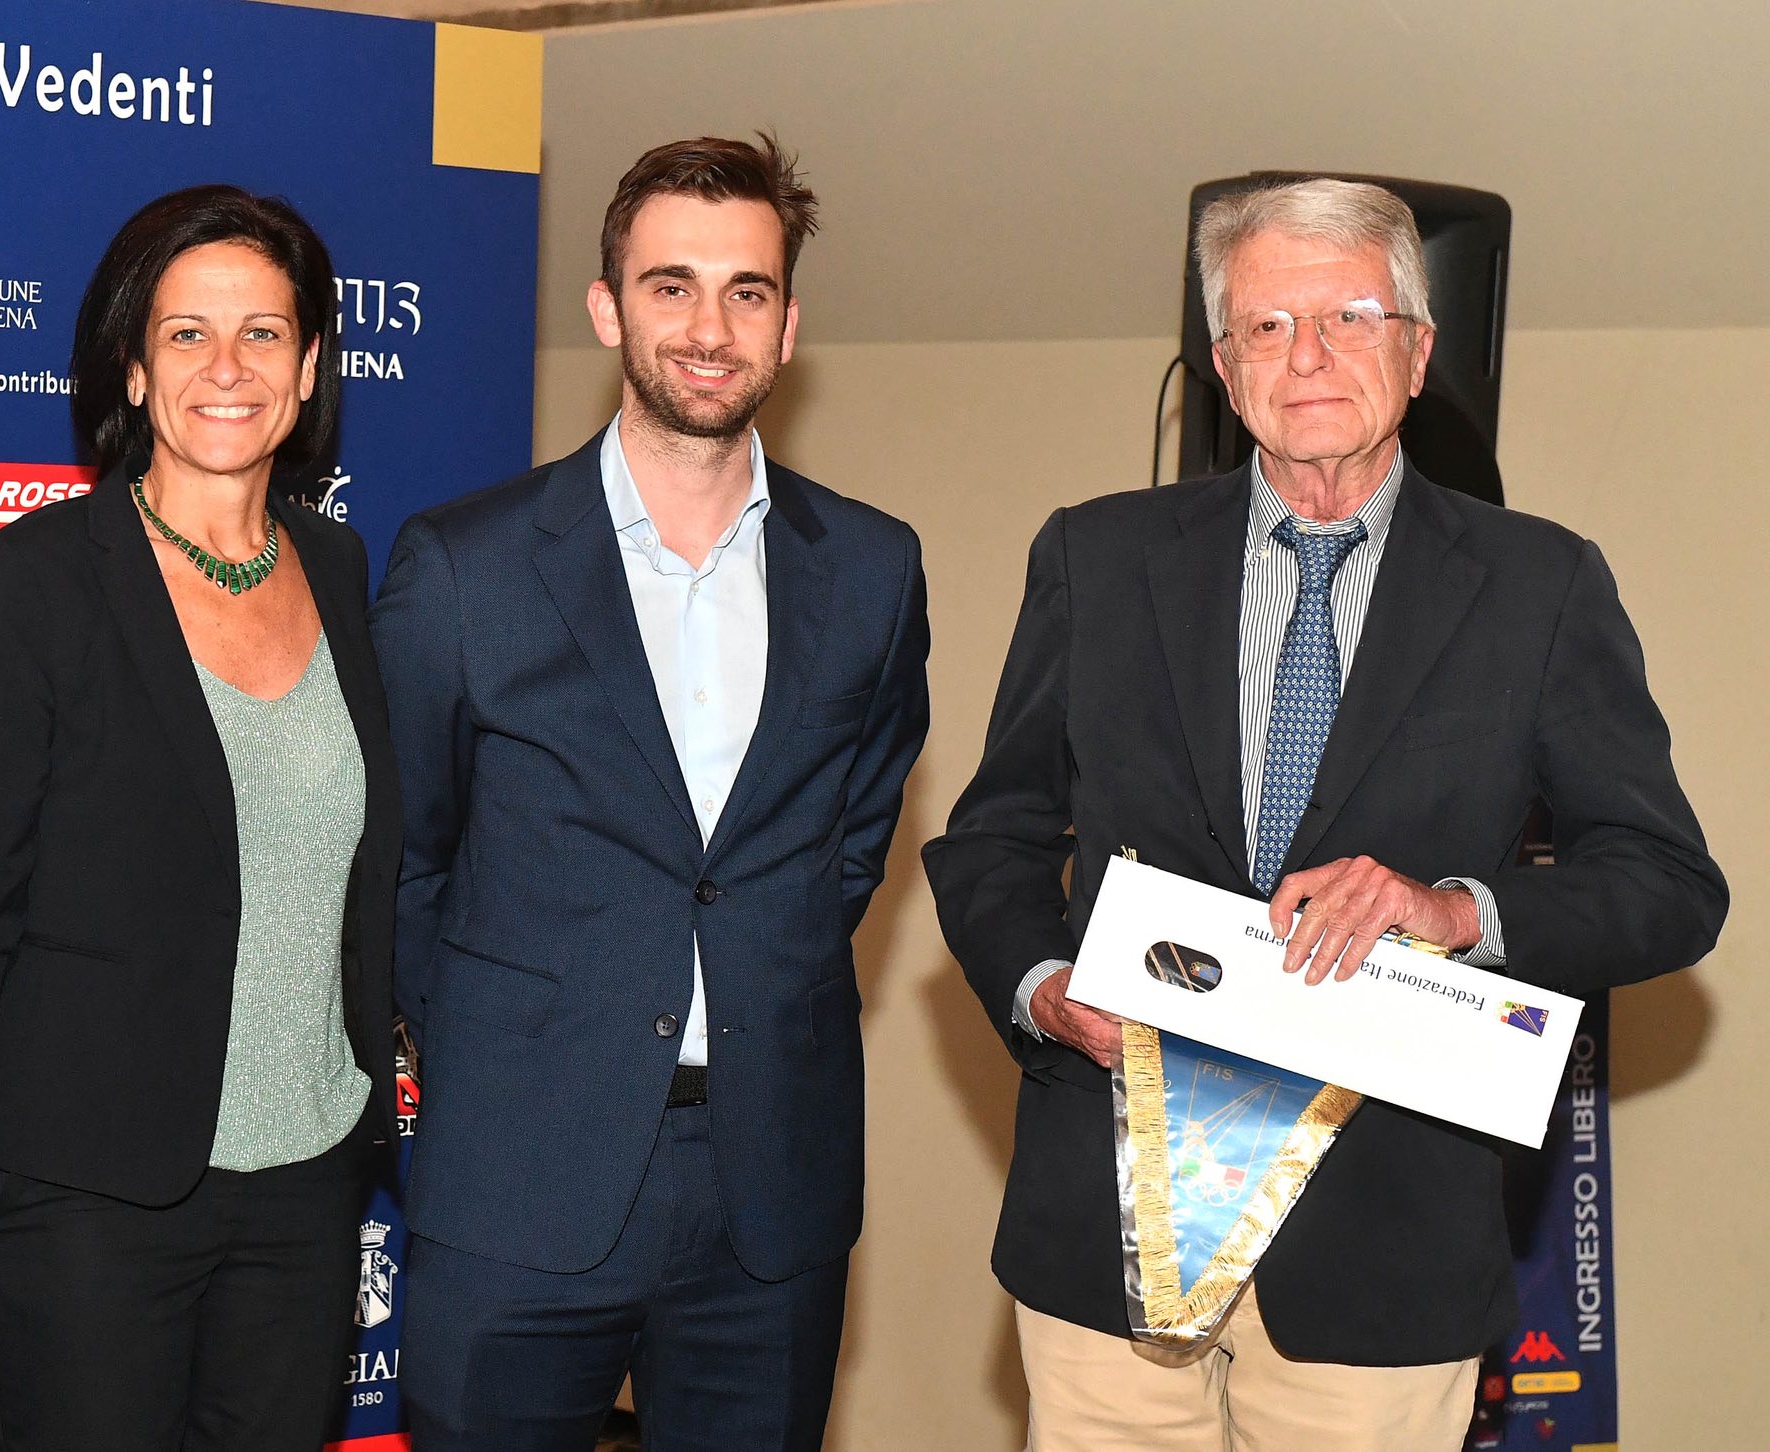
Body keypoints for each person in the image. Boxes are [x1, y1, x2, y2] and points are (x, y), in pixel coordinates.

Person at [923, 177, 1726, 1452]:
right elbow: (993, 839)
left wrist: (1451, 911)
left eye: (1348, 318)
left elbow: (1666, 884)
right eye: (1264, 325)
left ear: (1416, 351)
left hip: (1385, 1251)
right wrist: (1041, 987)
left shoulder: (1539, 585)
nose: (1304, 357)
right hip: (1108, 1233)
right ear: (1222, 367)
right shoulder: (1094, 558)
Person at [371, 134, 929, 1451]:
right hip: (516, 1172)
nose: (709, 328)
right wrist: (505, 1053)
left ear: (787, 326)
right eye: (670, 286)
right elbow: (401, 860)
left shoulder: (871, 567)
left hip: (769, 1190)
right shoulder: (465, 565)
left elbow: (849, 843)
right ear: (607, 308)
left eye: (746, 291)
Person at [0, 184, 402, 1451]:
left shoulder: (338, 568)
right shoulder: (34, 583)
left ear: (309, 367)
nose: (227, 367)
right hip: (85, 1196)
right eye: (186, 334)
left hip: (306, 1185)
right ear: (131, 365)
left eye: (263, 333)